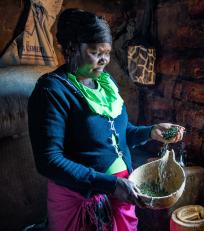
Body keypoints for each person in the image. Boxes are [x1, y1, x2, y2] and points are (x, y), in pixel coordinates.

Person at [27, 8, 185, 231]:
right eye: (95, 52)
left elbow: (119, 135)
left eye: (107, 52)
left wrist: (151, 132)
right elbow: (49, 161)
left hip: (122, 195)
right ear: (72, 48)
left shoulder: (106, 83)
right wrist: (109, 184)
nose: (104, 60)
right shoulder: (52, 90)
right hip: (80, 201)